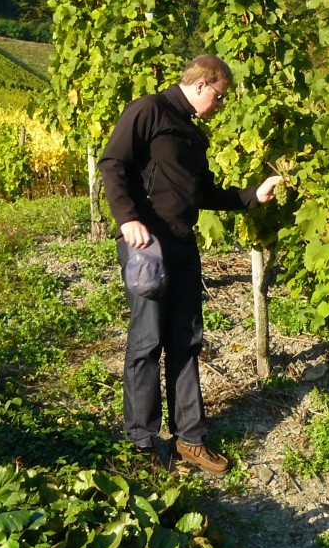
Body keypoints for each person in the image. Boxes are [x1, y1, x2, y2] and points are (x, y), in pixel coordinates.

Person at [99, 55, 282, 473]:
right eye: (219, 97)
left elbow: (205, 194)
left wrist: (254, 195)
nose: (220, 106)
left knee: (187, 340)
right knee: (146, 343)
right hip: (146, 244)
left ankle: (190, 439)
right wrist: (128, 219)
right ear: (201, 84)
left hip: (182, 244)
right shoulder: (149, 110)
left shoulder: (192, 135)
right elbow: (112, 164)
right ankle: (143, 443)